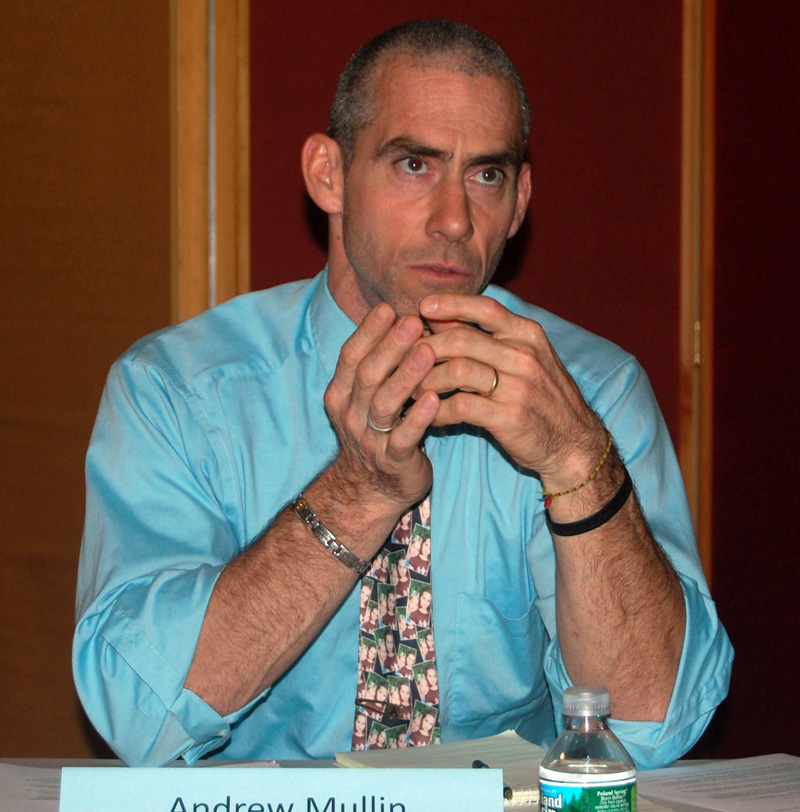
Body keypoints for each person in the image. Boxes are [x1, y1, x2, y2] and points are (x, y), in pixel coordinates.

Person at [73, 18, 732, 768]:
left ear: (519, 203)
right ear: (328, 175)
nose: (455, 220)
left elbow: (652, 727)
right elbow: (137, 713)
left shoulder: (590, 394)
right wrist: (353, 497)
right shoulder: (178, 391)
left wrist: (580, 468)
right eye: (414, 165)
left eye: (487, 175)